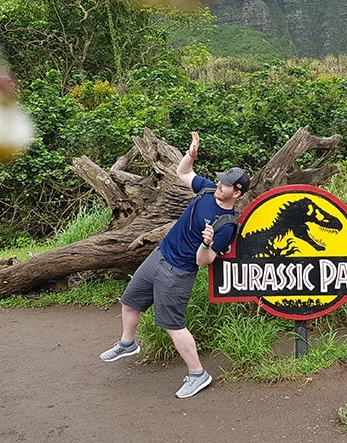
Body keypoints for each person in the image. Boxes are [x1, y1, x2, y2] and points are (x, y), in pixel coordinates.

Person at [99, 131, 250, 398]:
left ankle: (198, 374)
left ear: (237, 193)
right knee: (130, 300)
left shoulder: (226, 226)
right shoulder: (205, 190)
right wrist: (190, 155)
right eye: (220, 180)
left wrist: (206, 243)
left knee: (173, 325)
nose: (220, 185)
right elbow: (183, 173)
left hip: (178, 271)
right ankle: (127, 343)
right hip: (159, 255)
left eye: (226, 184)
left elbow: (203, 262)